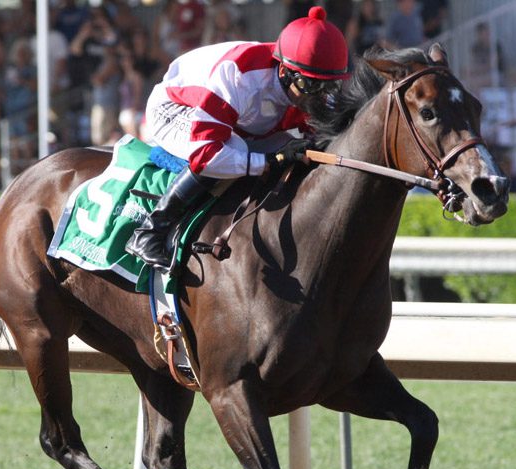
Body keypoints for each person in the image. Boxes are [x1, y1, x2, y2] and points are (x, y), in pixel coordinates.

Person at [125, 6, 349, 272]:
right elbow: (207, 155)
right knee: (234, 149)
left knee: (295, 148)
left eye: (327, 85)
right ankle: (150, 231)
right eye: (310, 85)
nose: (318, 95)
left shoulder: (307, 84)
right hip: (174, 108)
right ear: (284, 71)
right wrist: (268, 161)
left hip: (238, 120)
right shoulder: (239, 77)